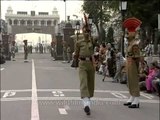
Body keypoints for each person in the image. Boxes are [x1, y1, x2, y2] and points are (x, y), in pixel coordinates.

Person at [74, 24, 95, 115]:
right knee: (84, 83)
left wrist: (90, 35)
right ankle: (86, 105)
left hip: (91, 64)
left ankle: (88, 103)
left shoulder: (92, 41)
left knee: (90, 84)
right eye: (85, 31)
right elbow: (76, 54)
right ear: (82, 32)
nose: (86, 32)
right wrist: (75, 62)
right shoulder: (79, 42)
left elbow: (96, 39)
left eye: (88, 31)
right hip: (82, 63)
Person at [123, 17, 142, 108]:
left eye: (128, 33)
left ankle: (137, 100)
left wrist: (137, 66)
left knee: (134, 81)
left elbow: (138, 56)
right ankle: (132, 97)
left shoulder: (134, 44)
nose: (126, 35)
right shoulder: (130, 43)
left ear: (132, 33)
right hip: (129, 63)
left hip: (133, 63)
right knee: (130, 81)